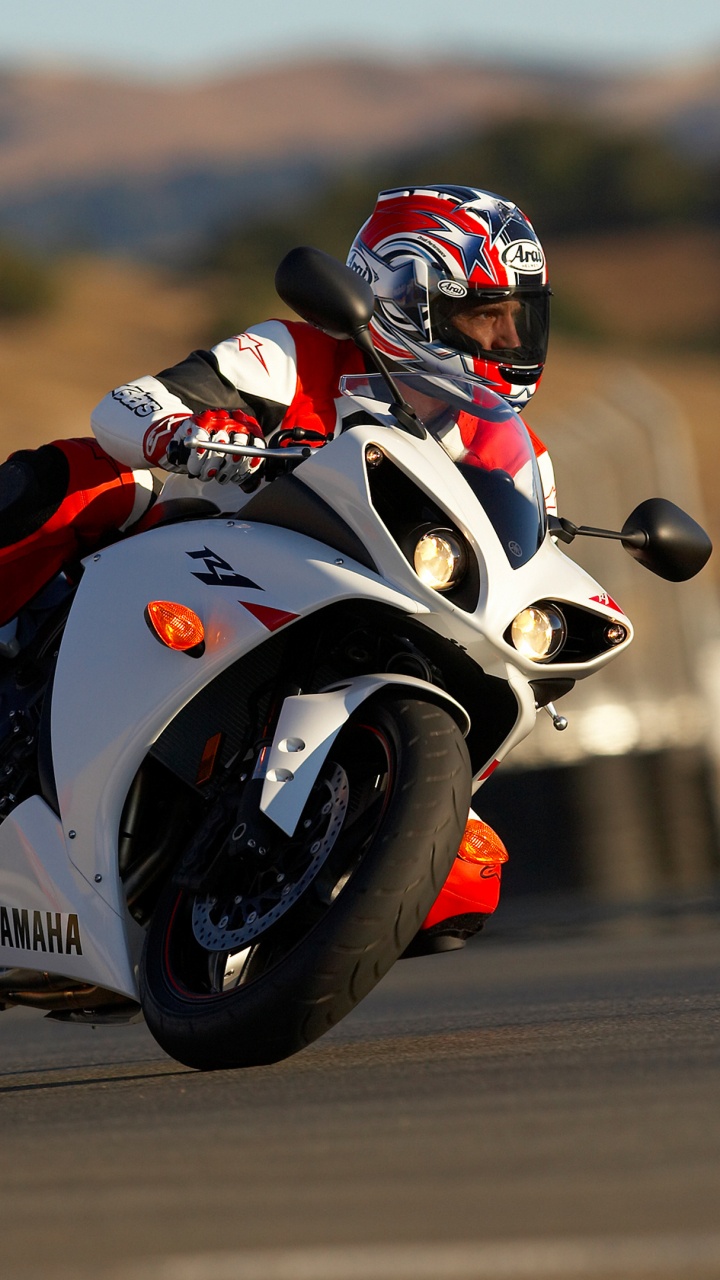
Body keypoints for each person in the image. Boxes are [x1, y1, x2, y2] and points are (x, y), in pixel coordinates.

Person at [0, 184, 555, 946]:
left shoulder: (511, 450)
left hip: (361, 608)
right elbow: (127, 407)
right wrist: (175, 430)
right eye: (484, 314)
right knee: (79, 483)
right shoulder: (293, 354)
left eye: (517, 316)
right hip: (198, 551)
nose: (505, 337)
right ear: (404, 297)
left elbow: (526, 552)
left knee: (463, 871)